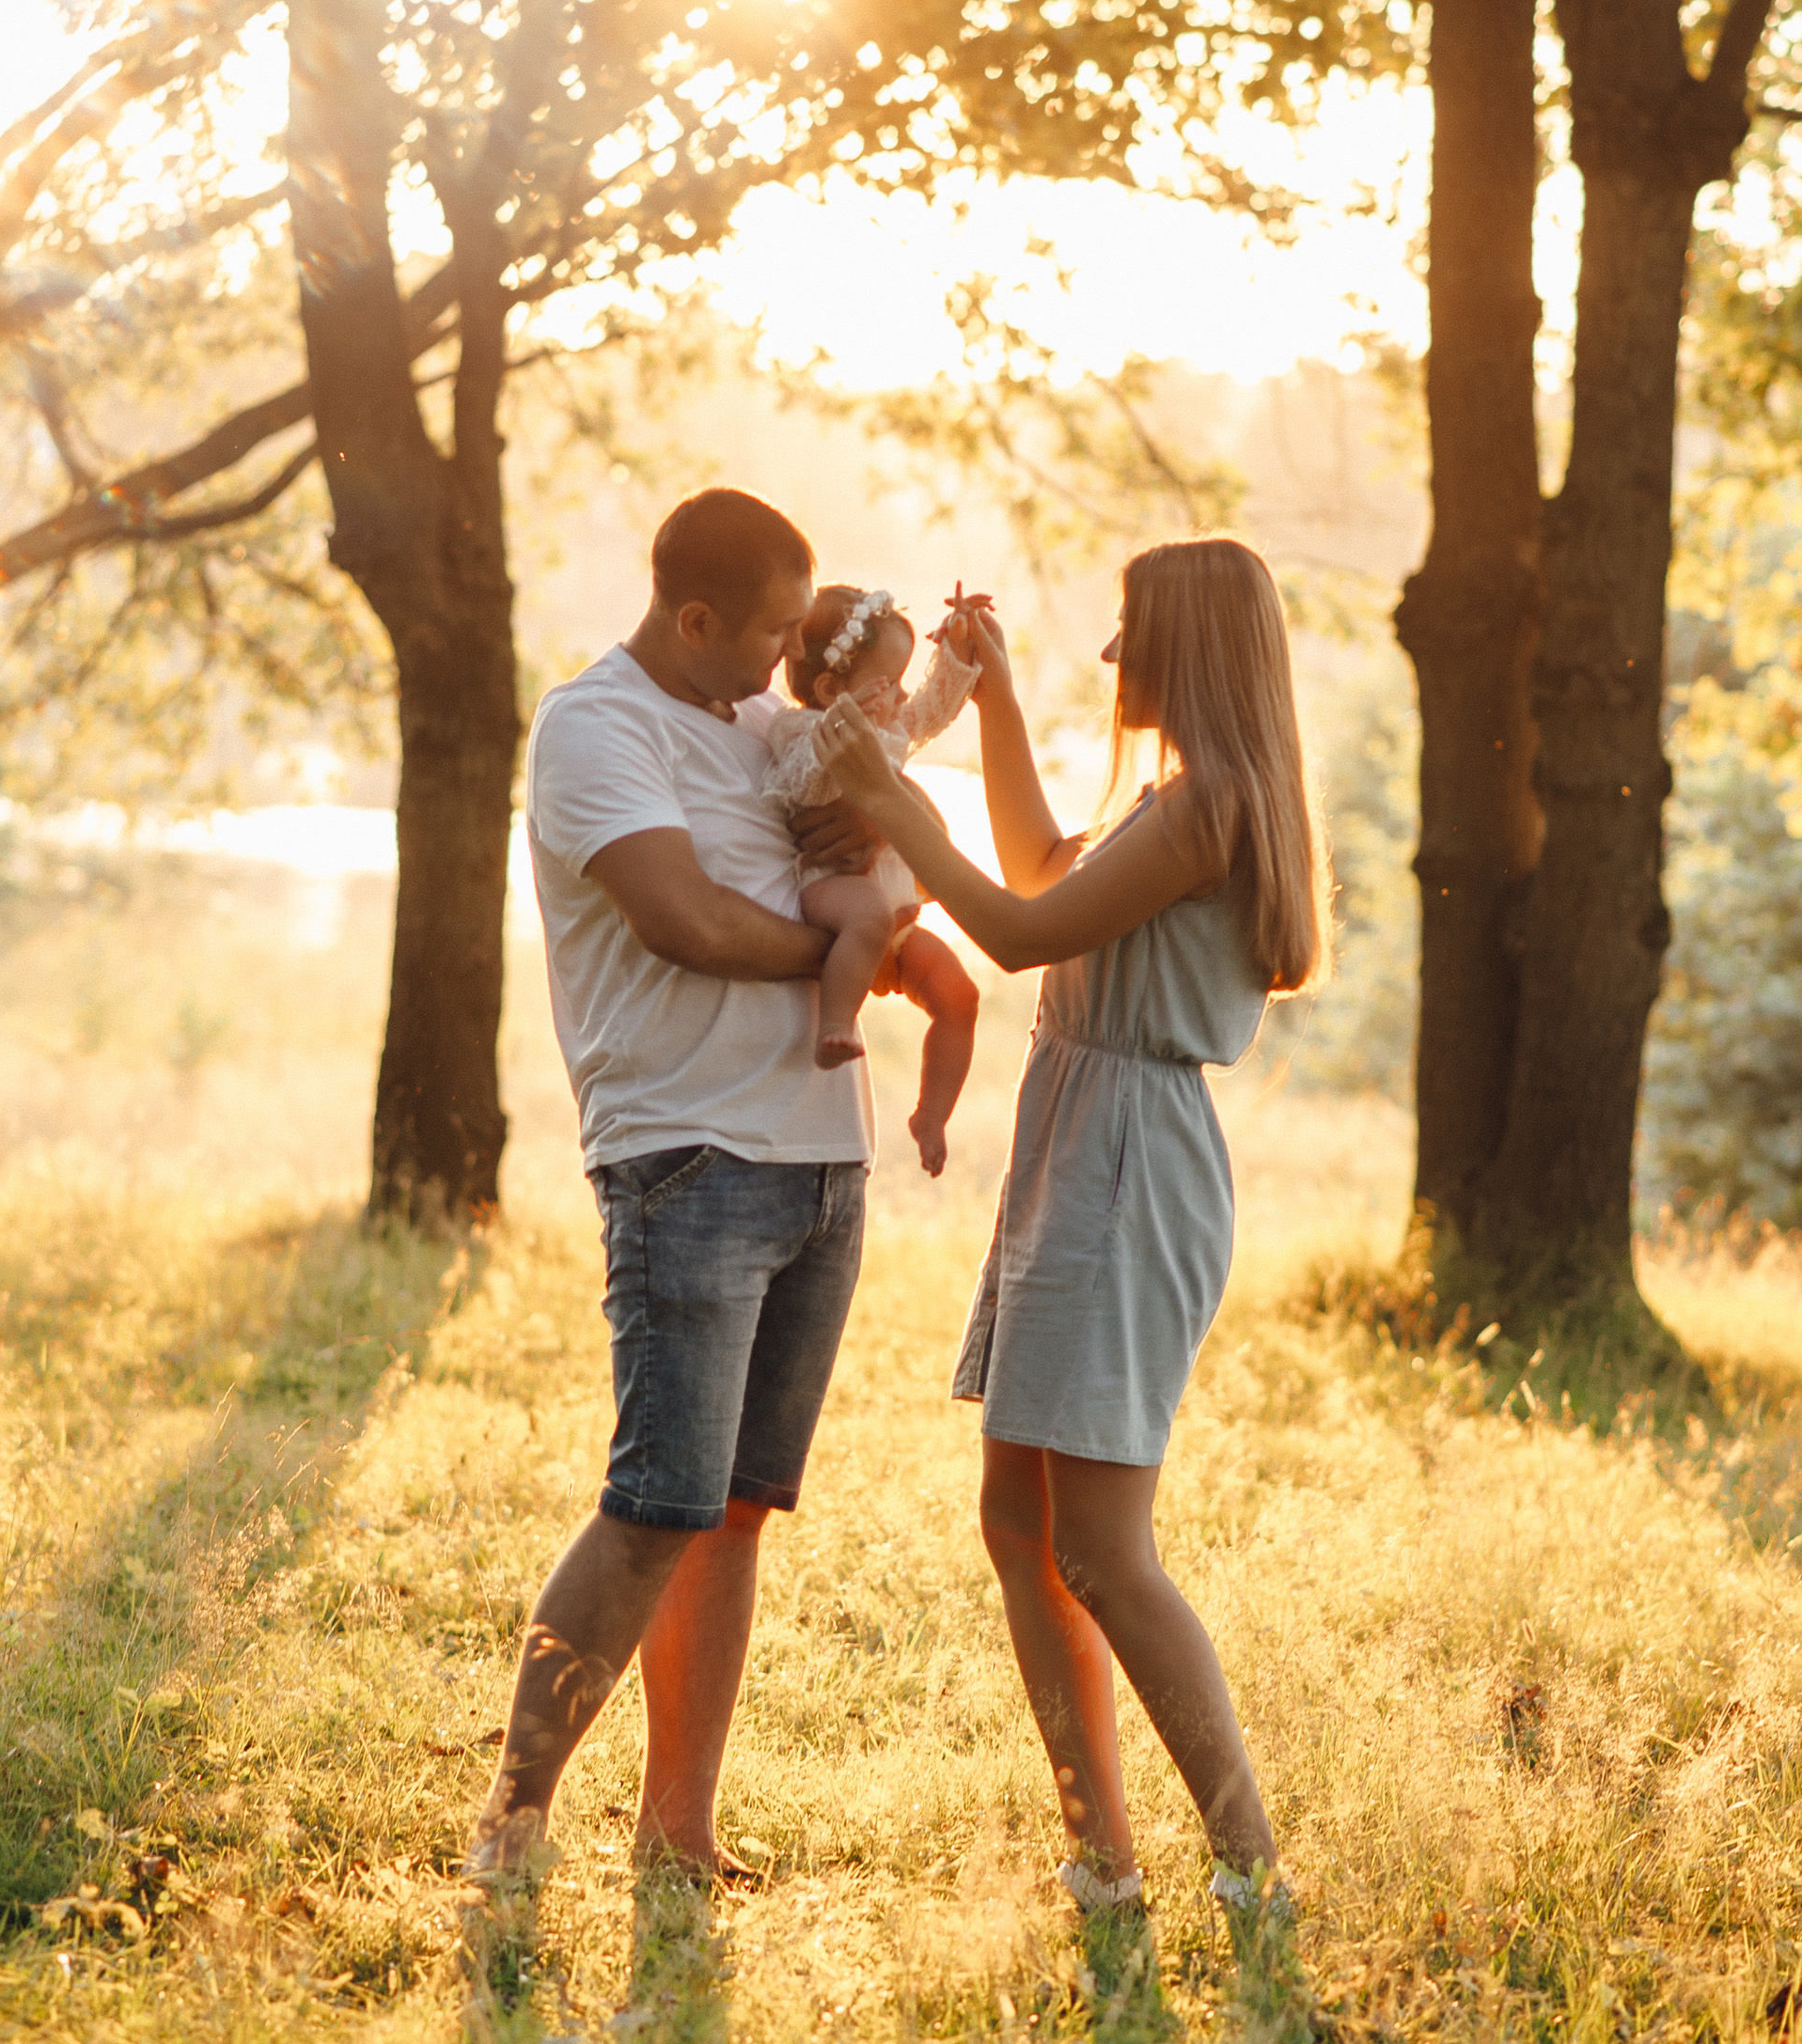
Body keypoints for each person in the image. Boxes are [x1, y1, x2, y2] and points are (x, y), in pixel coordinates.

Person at [814, 533, 1330, 1928]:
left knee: (1102, 1544)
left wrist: (893, 794)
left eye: (1126, 633)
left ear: (1190, 646)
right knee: (1017, 1517)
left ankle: (1249, 1863)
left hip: (1127, 1163)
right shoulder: (1167, 797)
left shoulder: (1212, 804)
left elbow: (1017, 932)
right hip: (1080, 1143)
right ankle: (1101, 1854)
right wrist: (986, 705)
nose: (1109, 660)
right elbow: (1040, 863)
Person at [463, 485, 873, 1885]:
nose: (783, 657)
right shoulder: (597, 726)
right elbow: (682, 918)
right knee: (656, 1505)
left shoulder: (765, 726)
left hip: (822, 1157)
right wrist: (838, 963)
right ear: (692, 618)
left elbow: (882, 803)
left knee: (738, 1510)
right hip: (689, 1159)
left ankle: (678, 1831)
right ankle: (513, 1822)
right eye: (765, 632)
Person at [760, 583, 981, 1174]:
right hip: (835, 889)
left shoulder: (884, 726)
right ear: (832, 690)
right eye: (890, 680)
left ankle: (930, 1115)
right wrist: (846, 735)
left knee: (960, 995)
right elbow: (799, 787)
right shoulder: (800, 731)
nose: (902, 696)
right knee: (868, 915)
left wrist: (958, 650)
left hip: (895, 921)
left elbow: (934, 707)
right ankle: (835, 1022)